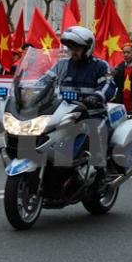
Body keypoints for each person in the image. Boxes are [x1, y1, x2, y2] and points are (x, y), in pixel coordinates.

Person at [40, 26, 116, 166]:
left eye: (77, 48)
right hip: (64, 115)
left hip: (91, 114)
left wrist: (97, 97)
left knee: (97, 133)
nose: (73, 51)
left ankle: (99, 172)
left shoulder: (99, 66)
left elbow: (108, 85)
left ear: (87, 49)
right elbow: (45, 80)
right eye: (70, 47)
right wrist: (30, 91)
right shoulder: (62, 65)